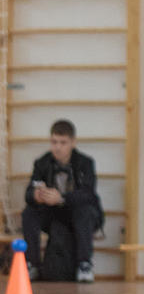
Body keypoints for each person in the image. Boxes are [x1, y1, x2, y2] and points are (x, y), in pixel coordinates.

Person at [21, 119, 104, 283]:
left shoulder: (86, 163)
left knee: (85, 211)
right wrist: (36, 195)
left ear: (73, 142)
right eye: (54, 142)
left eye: (63, 143)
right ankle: (32, 264)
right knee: (29, 213)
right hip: (52, 213)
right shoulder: (42, 162)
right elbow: (28, 193)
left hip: (78, 213)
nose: (57, 147)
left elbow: (89, 194)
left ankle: (84, 264)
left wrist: (62, 198)